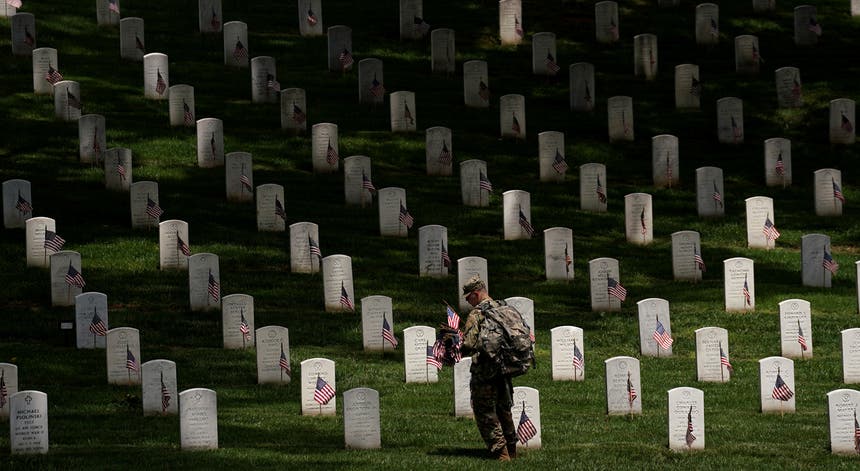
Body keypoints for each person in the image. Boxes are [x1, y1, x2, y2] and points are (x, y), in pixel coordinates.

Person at [459, 276, 517, 461]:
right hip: (504, 368)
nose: (468, 301)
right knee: (503, 409)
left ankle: (500, 453)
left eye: (468, 298)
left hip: (485, 370)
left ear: (475, 294)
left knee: (484, 411)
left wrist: (456, 341)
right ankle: (512, 450)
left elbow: (468, 343)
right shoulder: (502, 307)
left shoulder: (477, 314)